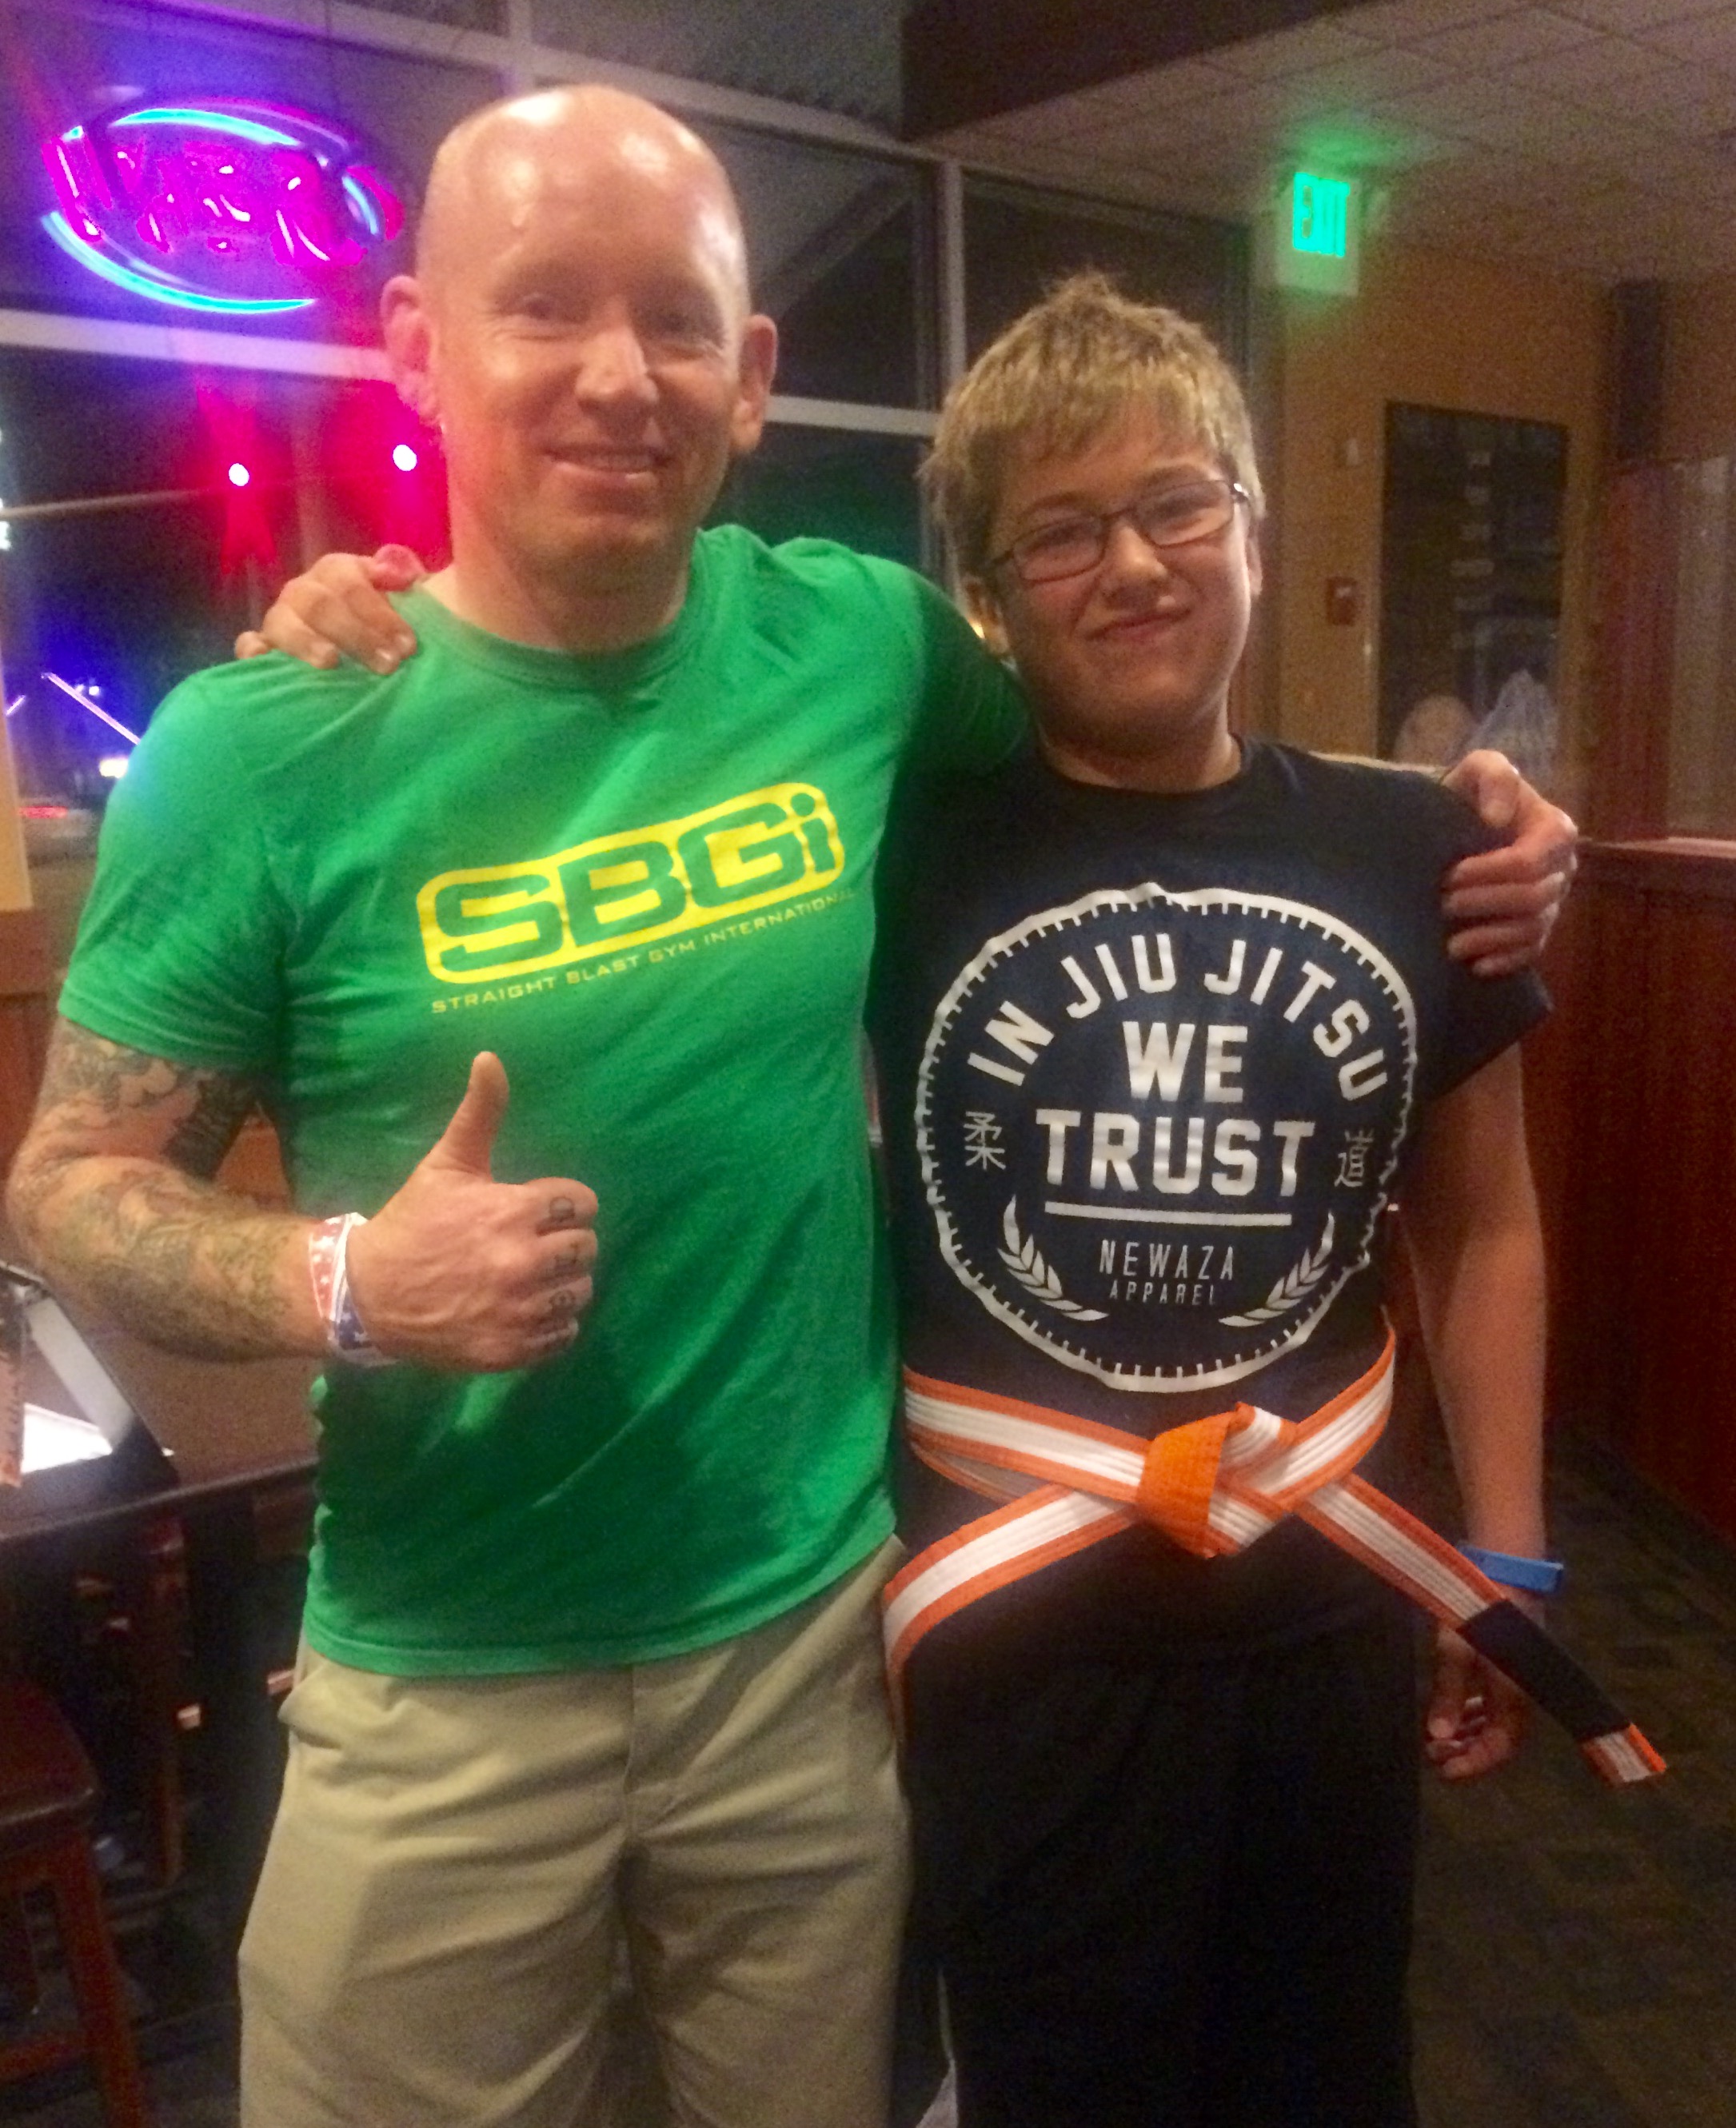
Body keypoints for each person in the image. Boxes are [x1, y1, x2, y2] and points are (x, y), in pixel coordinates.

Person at [9, 86, 1572, 2128]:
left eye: (674, 318)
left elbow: (1149, 740)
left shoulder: (865, 646)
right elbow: (67, 1186)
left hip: (813, 1653)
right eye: (543, 306)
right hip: (447, 1667)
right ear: (414, 345)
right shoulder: (267, 742)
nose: (616, 373)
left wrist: (1471, 823)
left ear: (750, 374)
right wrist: (349, 1279)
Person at [862, 274, 1626, 2128]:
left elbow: (1484, 1219)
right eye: (1062, 530)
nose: (1132, 563)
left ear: (1255, 531)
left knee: (1324, 2080)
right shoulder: (898, 841)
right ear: (989, 595)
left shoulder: (1417, 845)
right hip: (1019, 1634)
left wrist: (1506, 1558)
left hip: (1323, 1607)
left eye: (1176, 502)